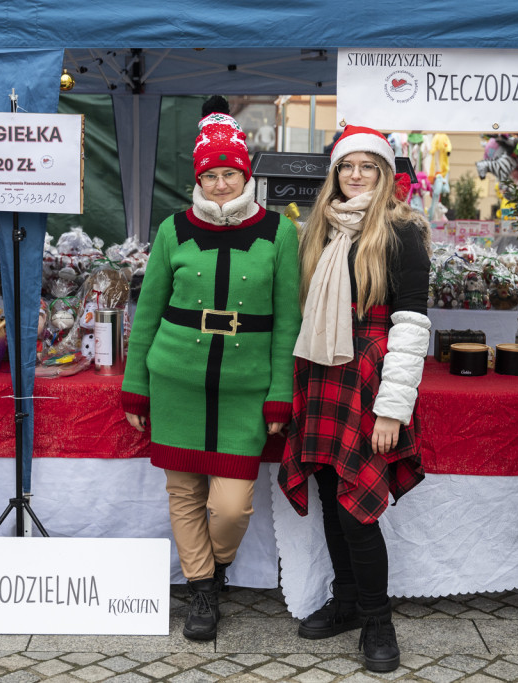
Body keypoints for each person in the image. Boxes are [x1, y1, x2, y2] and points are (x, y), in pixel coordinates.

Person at [121, 96, 300, 641]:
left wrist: (279, 396)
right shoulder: (174, 230)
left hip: (246, 390)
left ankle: (217, 565)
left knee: (230, 505)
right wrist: (135, 389)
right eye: (211, 175)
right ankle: (201, 588)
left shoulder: (278, 232)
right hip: (175, 379)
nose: (220, 184)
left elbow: (288, 321)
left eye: (229, 173)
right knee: (183, 492)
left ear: (245, 174)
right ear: (198, 178)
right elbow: (146, 312)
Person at [279, 126, 432, 673]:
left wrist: (393, 408)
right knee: (327, 492)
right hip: (320, 374)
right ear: (335, 174)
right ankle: (346, 600)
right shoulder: (319, 231)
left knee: (356, 510)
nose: (356, 174)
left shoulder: (401, 232)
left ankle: (377, 621)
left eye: (369, 165)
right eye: (347, 165)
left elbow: (412, 326)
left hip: (368, 380)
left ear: (385, 174)